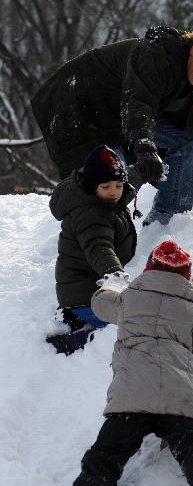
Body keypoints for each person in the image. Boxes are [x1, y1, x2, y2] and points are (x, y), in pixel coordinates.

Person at [43, 239, 193, 486]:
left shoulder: (129, 298)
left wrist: (110, 286)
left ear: (149, 269)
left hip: (131, 400)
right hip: (179, 399)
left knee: (106, 454)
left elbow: (99, 303)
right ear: (187, 277)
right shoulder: (192, 310)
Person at [31, 26, 193, 226]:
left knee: (188, 142)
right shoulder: (153, 56)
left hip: (120, 116)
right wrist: (144, 146)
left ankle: (166, 225)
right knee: (105, 181)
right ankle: (97, 249)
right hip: (75, 108)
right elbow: (139, 103)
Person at [46, 145, 143, 356]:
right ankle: (71, 341)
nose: (114, 192)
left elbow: (129, 181)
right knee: (125, 327)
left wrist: (145, 169)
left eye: (118, 185)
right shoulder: (91, 214)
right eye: (106, 186)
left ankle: (73, 317)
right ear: (92, 186)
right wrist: (114, 275)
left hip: (84, 285)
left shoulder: (103, 199)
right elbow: (99, 248)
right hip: (85, 292)